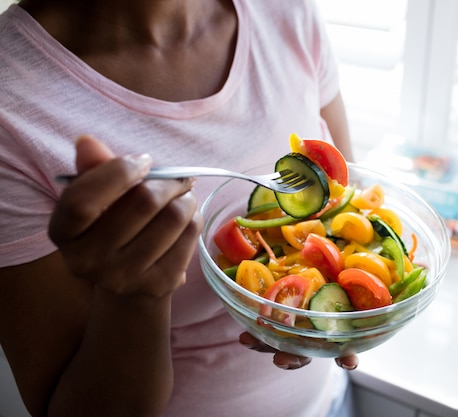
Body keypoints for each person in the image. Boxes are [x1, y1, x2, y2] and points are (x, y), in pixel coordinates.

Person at [0, 0, 358, 416]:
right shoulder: (12, 97)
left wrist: (346, 320)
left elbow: (345, 214)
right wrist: (135, 295)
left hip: (330, 403)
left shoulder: (287, 11)